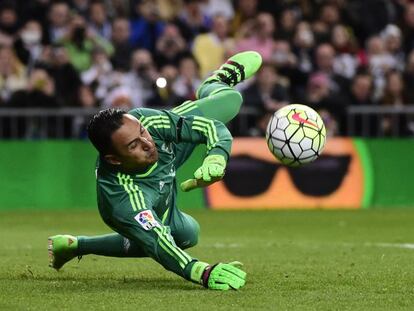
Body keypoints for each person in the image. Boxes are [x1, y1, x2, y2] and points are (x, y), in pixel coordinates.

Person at [48, 51, 263, 290]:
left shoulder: (149, 123)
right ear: (114, 159)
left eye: (141, 132)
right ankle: (77, 245)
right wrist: (202, 272)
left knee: (230, 101)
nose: (147, 143)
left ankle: (214, 83)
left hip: (169, 152)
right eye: (134, 145)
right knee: (184, 235)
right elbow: (159, 242)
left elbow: (212, 127)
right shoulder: (123, 199)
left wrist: (216, 157)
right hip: (147, 193)